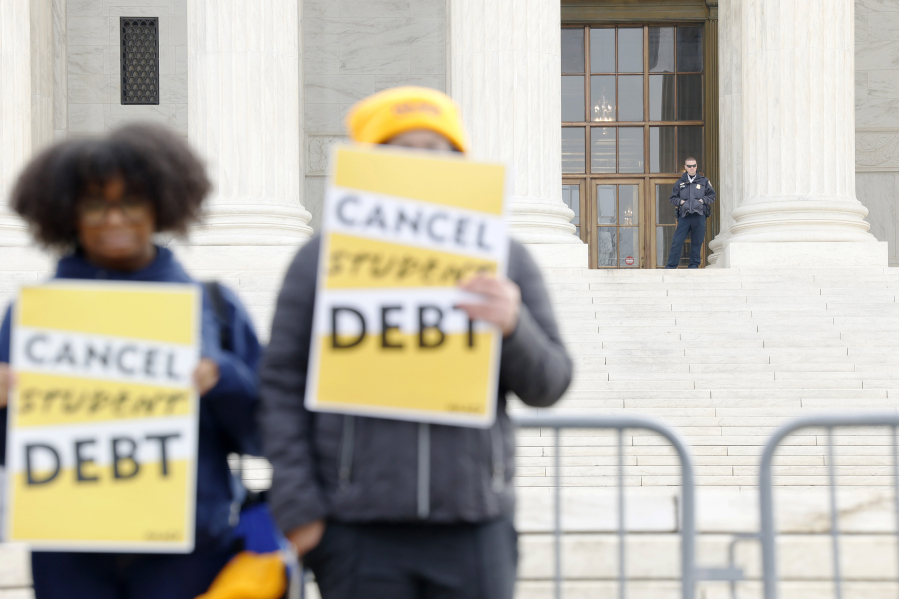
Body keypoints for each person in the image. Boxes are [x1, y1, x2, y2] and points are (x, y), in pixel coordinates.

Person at [258, 86, 573, 599]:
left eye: (436, 150)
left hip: (475, 528)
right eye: (400, 151)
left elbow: (551, 383)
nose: (421, 164)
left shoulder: (505, 259)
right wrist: (301, 513)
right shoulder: (319, 261)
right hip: (357, 533)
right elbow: (279, 389)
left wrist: (515, 327)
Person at [0, 124, 263, 599]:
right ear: (69, 214)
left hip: (189, 551)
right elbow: (11, 455)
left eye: (133, 201)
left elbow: (265, 435)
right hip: (70, 554)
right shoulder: (30, 317)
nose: (115, 218)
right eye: (96, 204)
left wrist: (223, 379)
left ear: (160, 206)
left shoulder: (214, 308)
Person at [665, 157, 715, 269]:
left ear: (696, 166)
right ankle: (671, 265)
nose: (692, 168)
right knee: (677, 241)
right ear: (685, 167)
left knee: (697, 242)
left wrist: (702, 201)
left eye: (694, 166)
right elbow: (672, 198)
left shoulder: (704, 181)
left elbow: (712, 196)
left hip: (699, 215)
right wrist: (682, 202)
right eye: (689, 166)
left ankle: (694, 265)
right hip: (684, 216)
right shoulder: (679, 183)